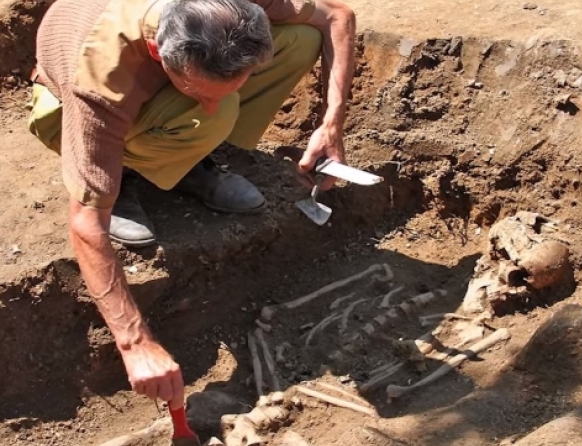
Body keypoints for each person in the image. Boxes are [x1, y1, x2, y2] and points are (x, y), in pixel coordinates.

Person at [26, 0, 355, 413]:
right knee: (214, 115)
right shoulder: (100, 79)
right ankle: (123, 177)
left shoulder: (234, 7)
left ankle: (186, 158)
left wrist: (332, 124)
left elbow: (337, 16)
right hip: (64, 110)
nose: (213, 105)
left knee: (300, 40)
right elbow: (86, 224)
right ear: (156, 51)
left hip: (154, 80)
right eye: (196, 91)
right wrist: (135, 344)